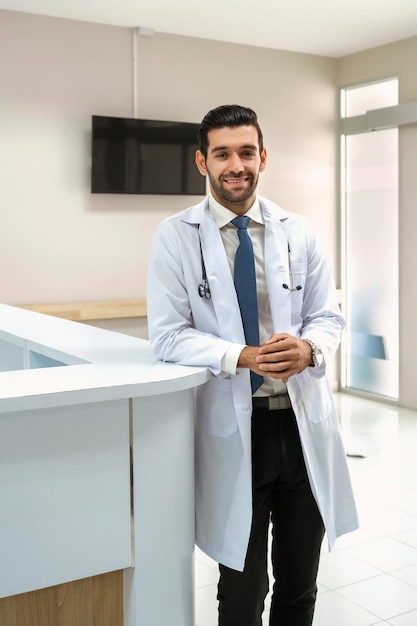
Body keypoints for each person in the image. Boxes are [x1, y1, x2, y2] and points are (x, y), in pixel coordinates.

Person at [146, 104, 358, 626]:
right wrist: (239, 355)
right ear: (202, 162)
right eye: (222, 154)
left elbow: (326, 316)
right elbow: (168, 336)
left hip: (302, 425)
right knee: (241, 593)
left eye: (246, 152)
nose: (235, 165)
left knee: (298, 584)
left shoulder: (298, 231)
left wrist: (309, 349)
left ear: (263, 157)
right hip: (238, 430)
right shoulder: (175, 236)